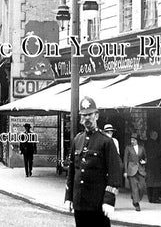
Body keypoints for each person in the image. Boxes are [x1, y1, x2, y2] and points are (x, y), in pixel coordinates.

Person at [65, 96, 122, 227]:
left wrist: (109, 200)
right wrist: (68, 197)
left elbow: (114, 172)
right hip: (79, 203)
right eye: (83, 116)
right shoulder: (77, 140)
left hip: (97, 203)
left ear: (96, 115)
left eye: (89, 115)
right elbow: (72, 171)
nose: (86, 119)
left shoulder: (106, 141)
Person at [123, 133, 147, 211]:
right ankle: (136, 204)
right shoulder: (128, 148)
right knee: (134, 188)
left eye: (133, 140)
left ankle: (135, 198)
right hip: (131, 169)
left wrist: (144, 161)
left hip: (140, 169)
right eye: (131, 140)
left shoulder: (142, 148)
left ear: (137, 141)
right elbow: (125, 160)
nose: (132, 141)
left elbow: (145, 157)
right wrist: (125, 171)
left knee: (142, 187)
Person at [145, 130, 161, 203]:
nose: (157, 136)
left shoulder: (146, 144)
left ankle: (150, 198)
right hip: (155, 165)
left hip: (148, 165)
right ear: (153, 136)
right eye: (156, 135)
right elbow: (159, 153)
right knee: (156, 182)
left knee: (149, 182)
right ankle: (155, 198)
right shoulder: (155, 144)